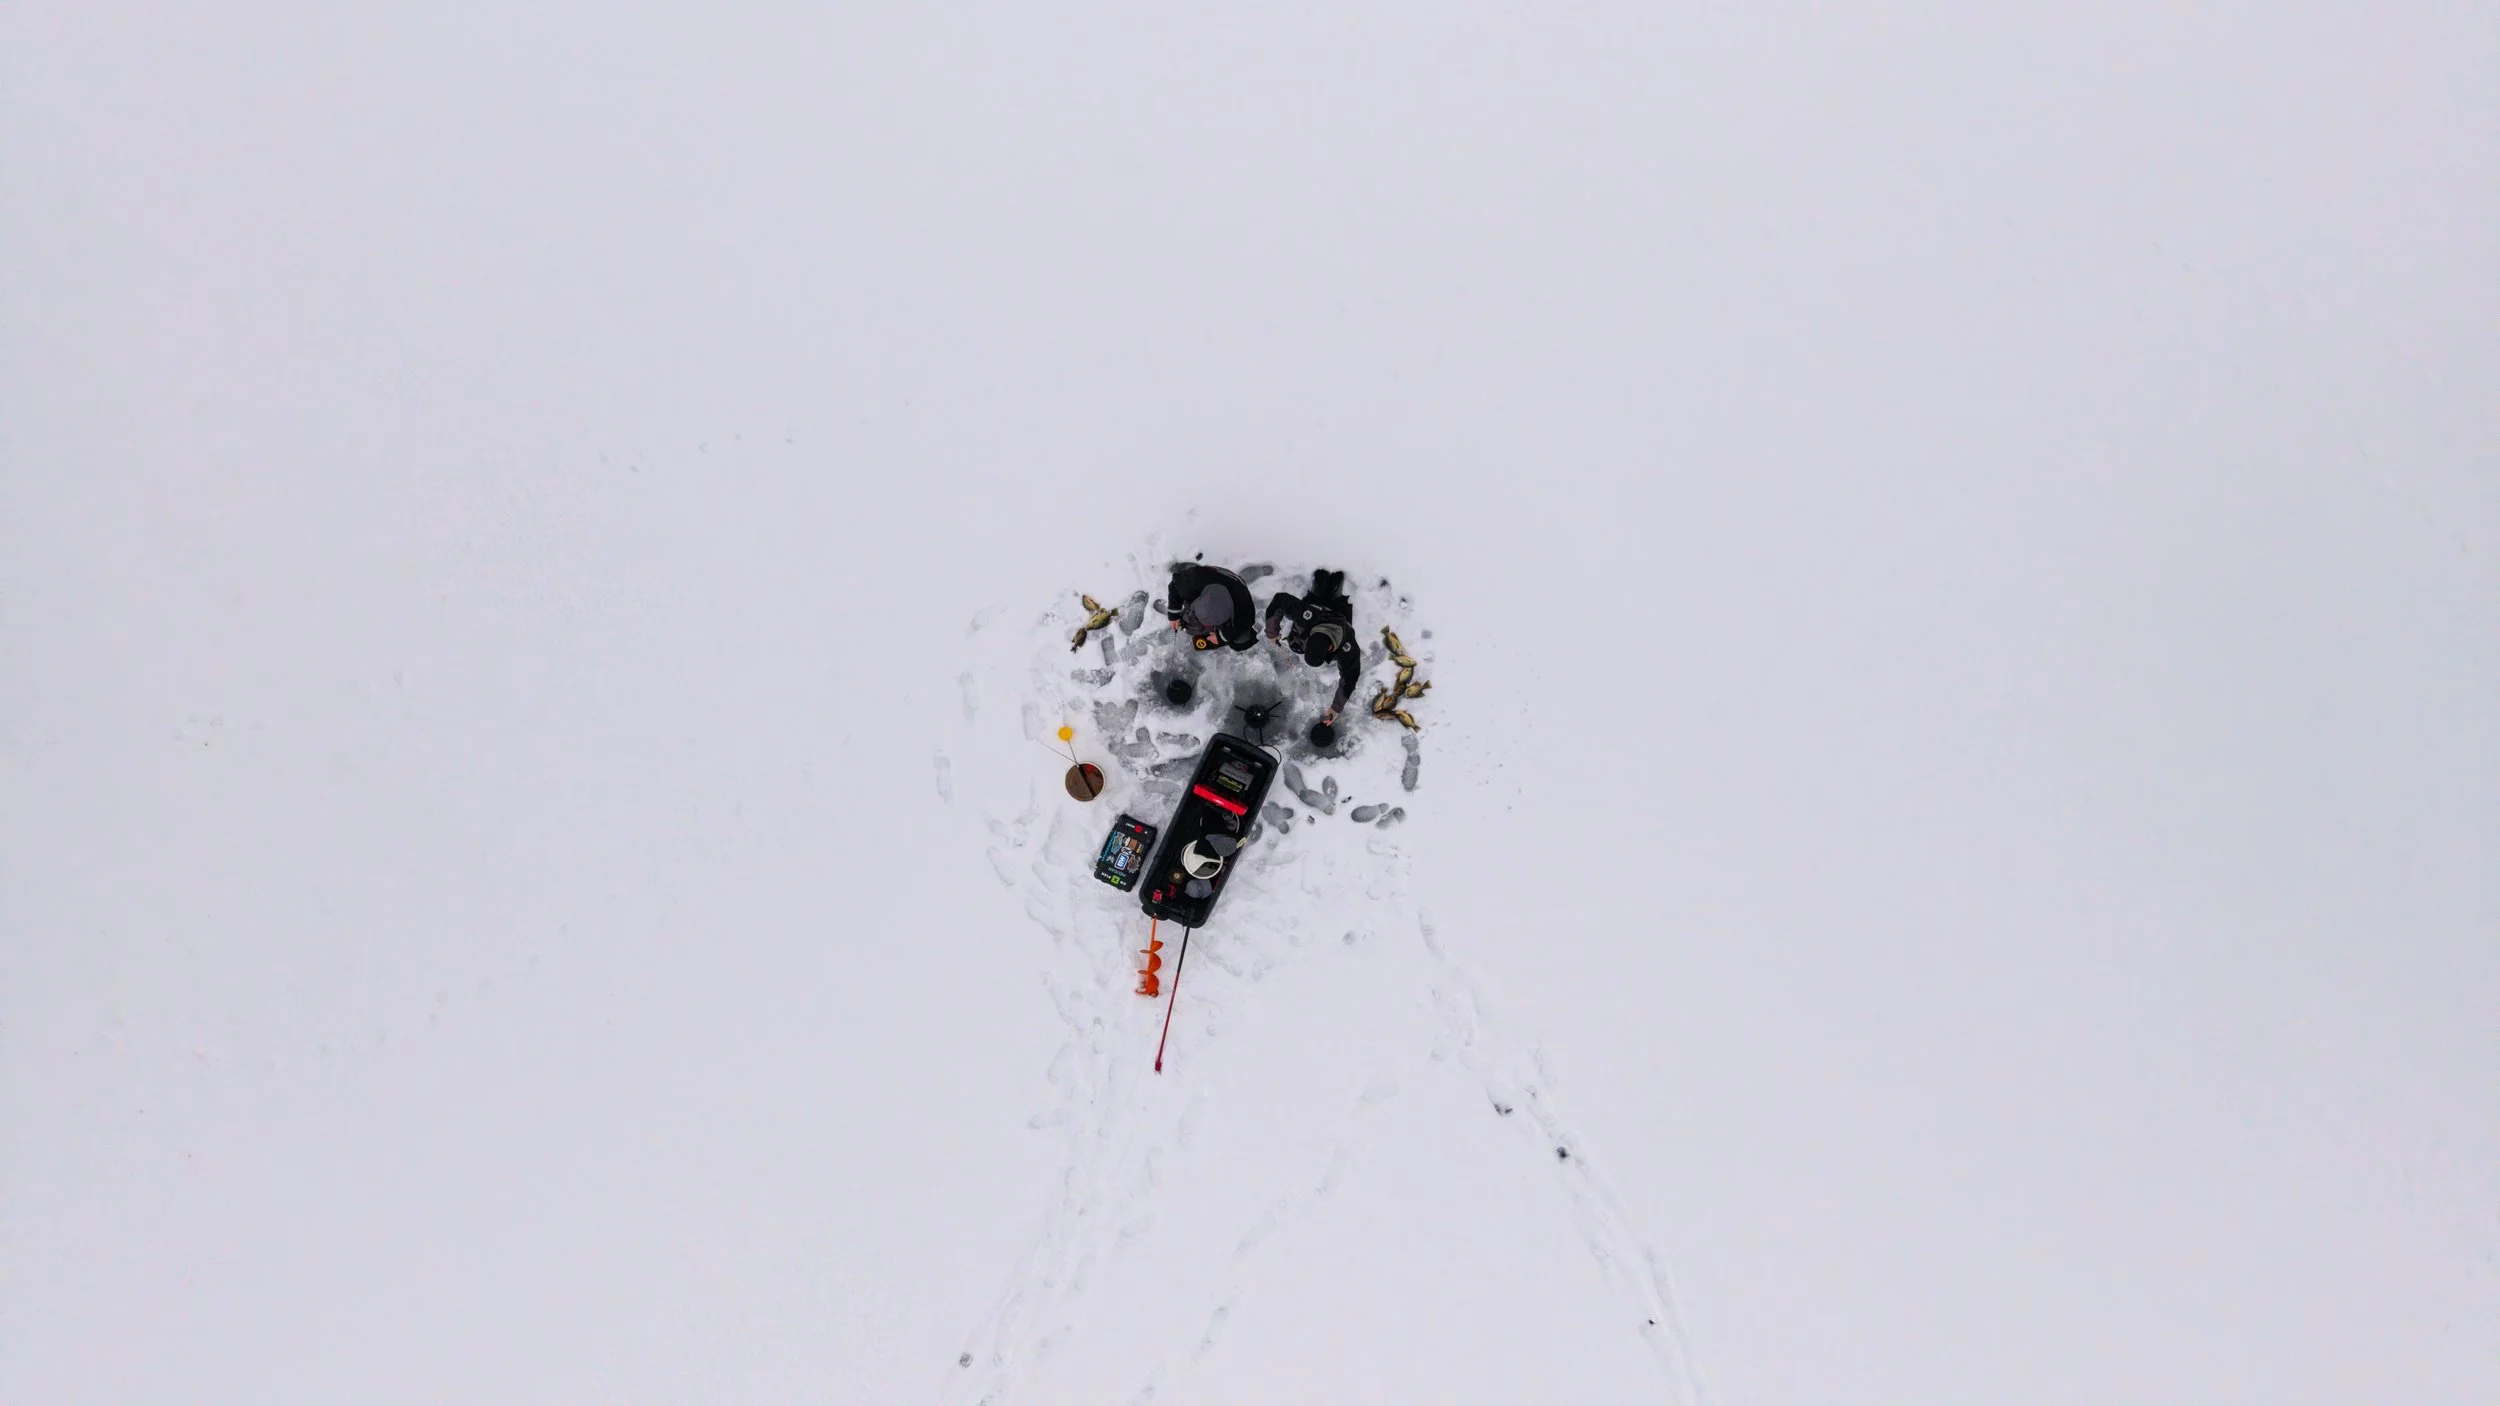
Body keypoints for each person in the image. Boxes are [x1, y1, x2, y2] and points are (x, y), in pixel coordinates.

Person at [1263, 568, 1363, 746]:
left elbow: (1350, 676)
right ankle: (1321, 586)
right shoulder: (1305, 615)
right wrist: (1272, 632)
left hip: (1339, 616)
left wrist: (1336, 707)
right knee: (1317, 597)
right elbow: (1279, 600)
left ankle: (1333, 590)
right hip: (1315, 611)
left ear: (1331, 647)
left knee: (1335, 601)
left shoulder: (1348, 647)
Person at [1163, 559, 1259, 652]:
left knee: (1242, 639)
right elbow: (1174, 585)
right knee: (1201, 611)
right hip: (1206, 586)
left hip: (1225, 594)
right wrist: (1173, 614)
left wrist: (1221, 637)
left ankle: (1206, 621)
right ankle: (1195, 613)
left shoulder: (1245, 612)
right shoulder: (1196, 579)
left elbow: (1244, 626)